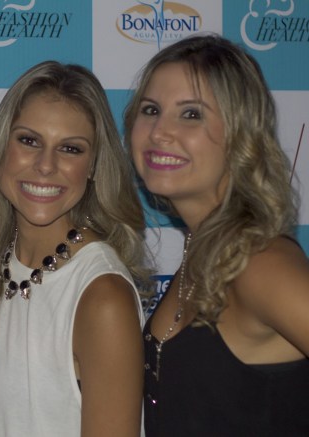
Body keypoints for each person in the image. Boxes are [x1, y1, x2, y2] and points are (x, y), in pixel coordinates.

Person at [0, 61, 149, 437]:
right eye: (29, 141)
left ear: (93, 166)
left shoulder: (102, 296)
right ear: (1, 148)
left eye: (70, 149)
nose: (45, 165)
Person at [124, 33, 309, 436]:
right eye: (150, 110)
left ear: (241, 133)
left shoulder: (261, 262)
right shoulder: (201, 251)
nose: (159, 132)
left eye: (191, 114)